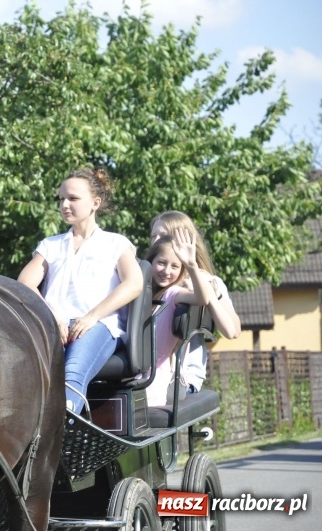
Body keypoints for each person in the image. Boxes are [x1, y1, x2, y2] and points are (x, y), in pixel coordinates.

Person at [18, 166, 143, 413]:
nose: (65, 204)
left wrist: (91, 317)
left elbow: (134, 283)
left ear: (95, 203)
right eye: (61, 198)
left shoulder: (115, 243)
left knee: (71, 374)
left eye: (73, 198)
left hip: (99, 326)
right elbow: (25, 282)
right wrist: (53, 316)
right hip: (54, 324)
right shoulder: (50, 245)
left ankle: (60, 438)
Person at [150, 211, 241, 393]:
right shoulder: (149, 277)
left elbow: (232, 331)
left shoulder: (206, 282)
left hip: (180, 378)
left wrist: (207, 292)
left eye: (163, 235)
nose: (156, 241)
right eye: (154, 236)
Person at [145, 230, 215, 406]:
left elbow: (202, 298)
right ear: (150, 261)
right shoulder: (141, 293)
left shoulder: (173, 293)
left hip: (155, 377)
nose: (166, 271)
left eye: (175, 266)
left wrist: (191, 266)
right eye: (161, 263)